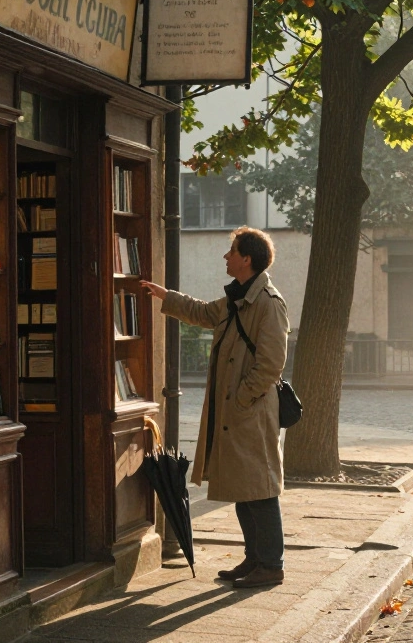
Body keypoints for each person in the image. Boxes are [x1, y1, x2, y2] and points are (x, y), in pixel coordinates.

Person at [141, 226, 290, 588]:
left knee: (261, 489)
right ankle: (254, 559)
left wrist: (241, 399)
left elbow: (271, 363)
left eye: (231, 251)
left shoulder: (267, 302)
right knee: (243, 487)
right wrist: (166, 296)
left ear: (246, 259)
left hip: (250, 412)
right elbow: (203, 312)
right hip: (237, 413)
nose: (226, 257)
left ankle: (271, 565)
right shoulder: (237, 298)